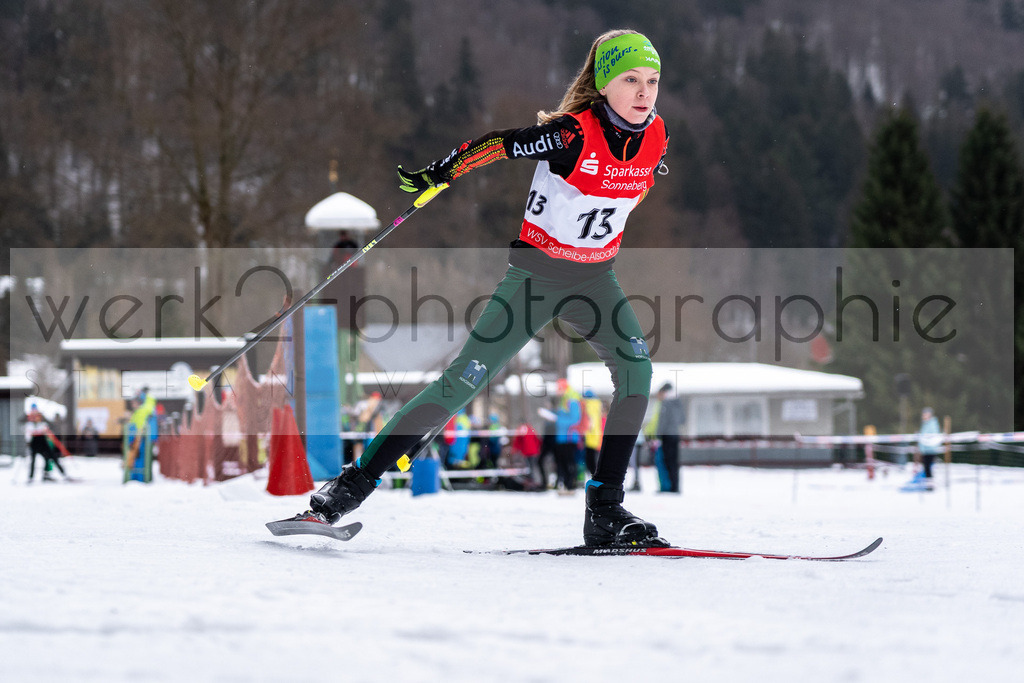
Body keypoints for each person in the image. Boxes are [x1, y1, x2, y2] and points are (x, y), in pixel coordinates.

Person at [307, 29, 669, 547]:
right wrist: (446, 170)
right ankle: (344, 491)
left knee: (637, 373)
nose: (643, 92)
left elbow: (627, 185)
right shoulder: (570, 134)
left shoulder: (657, 136)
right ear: (604, 85)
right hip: (537, 276)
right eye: (630, 80)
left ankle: (605, 509)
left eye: (652, 81)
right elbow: (501, 144)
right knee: (460, 384)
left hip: (595, 278)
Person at [22, 403, 69, 483]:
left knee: (52, 457)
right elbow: (27, 432)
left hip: (43, 441)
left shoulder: (42, 419)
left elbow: (49, 426)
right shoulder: (29, 422)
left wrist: (43, 421)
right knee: (33, 460)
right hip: (34, 442)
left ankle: (57, 474)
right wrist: (28, 441)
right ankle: (31, 477)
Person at [654, 382, 686, 493]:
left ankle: (668, 487)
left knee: (667, 461)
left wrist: (658, 434)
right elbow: (683, 419)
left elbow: (662, 421)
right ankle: (675, 486)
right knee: (674, 462)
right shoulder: (678, 402)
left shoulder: (666, 403)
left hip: (667, 436)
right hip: (676, 435)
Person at [916, 407, 942, 488]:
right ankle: (928, 484)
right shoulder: (925, 424)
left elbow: (932, 437)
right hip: (925, 450)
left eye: (925, 414)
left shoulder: (932, 424)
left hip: (930, 450)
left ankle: (930, 485)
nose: (924, 416)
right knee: (926, 467)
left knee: (928, 467)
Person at [582, 389, 605, 475]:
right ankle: (595, 477)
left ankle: (595, 478)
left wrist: (586, 431)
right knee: (593, 460)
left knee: (590, 461)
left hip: (590, 437)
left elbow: (591, 422)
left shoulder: (590, 406)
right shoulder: (596, 405)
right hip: (595, 437)